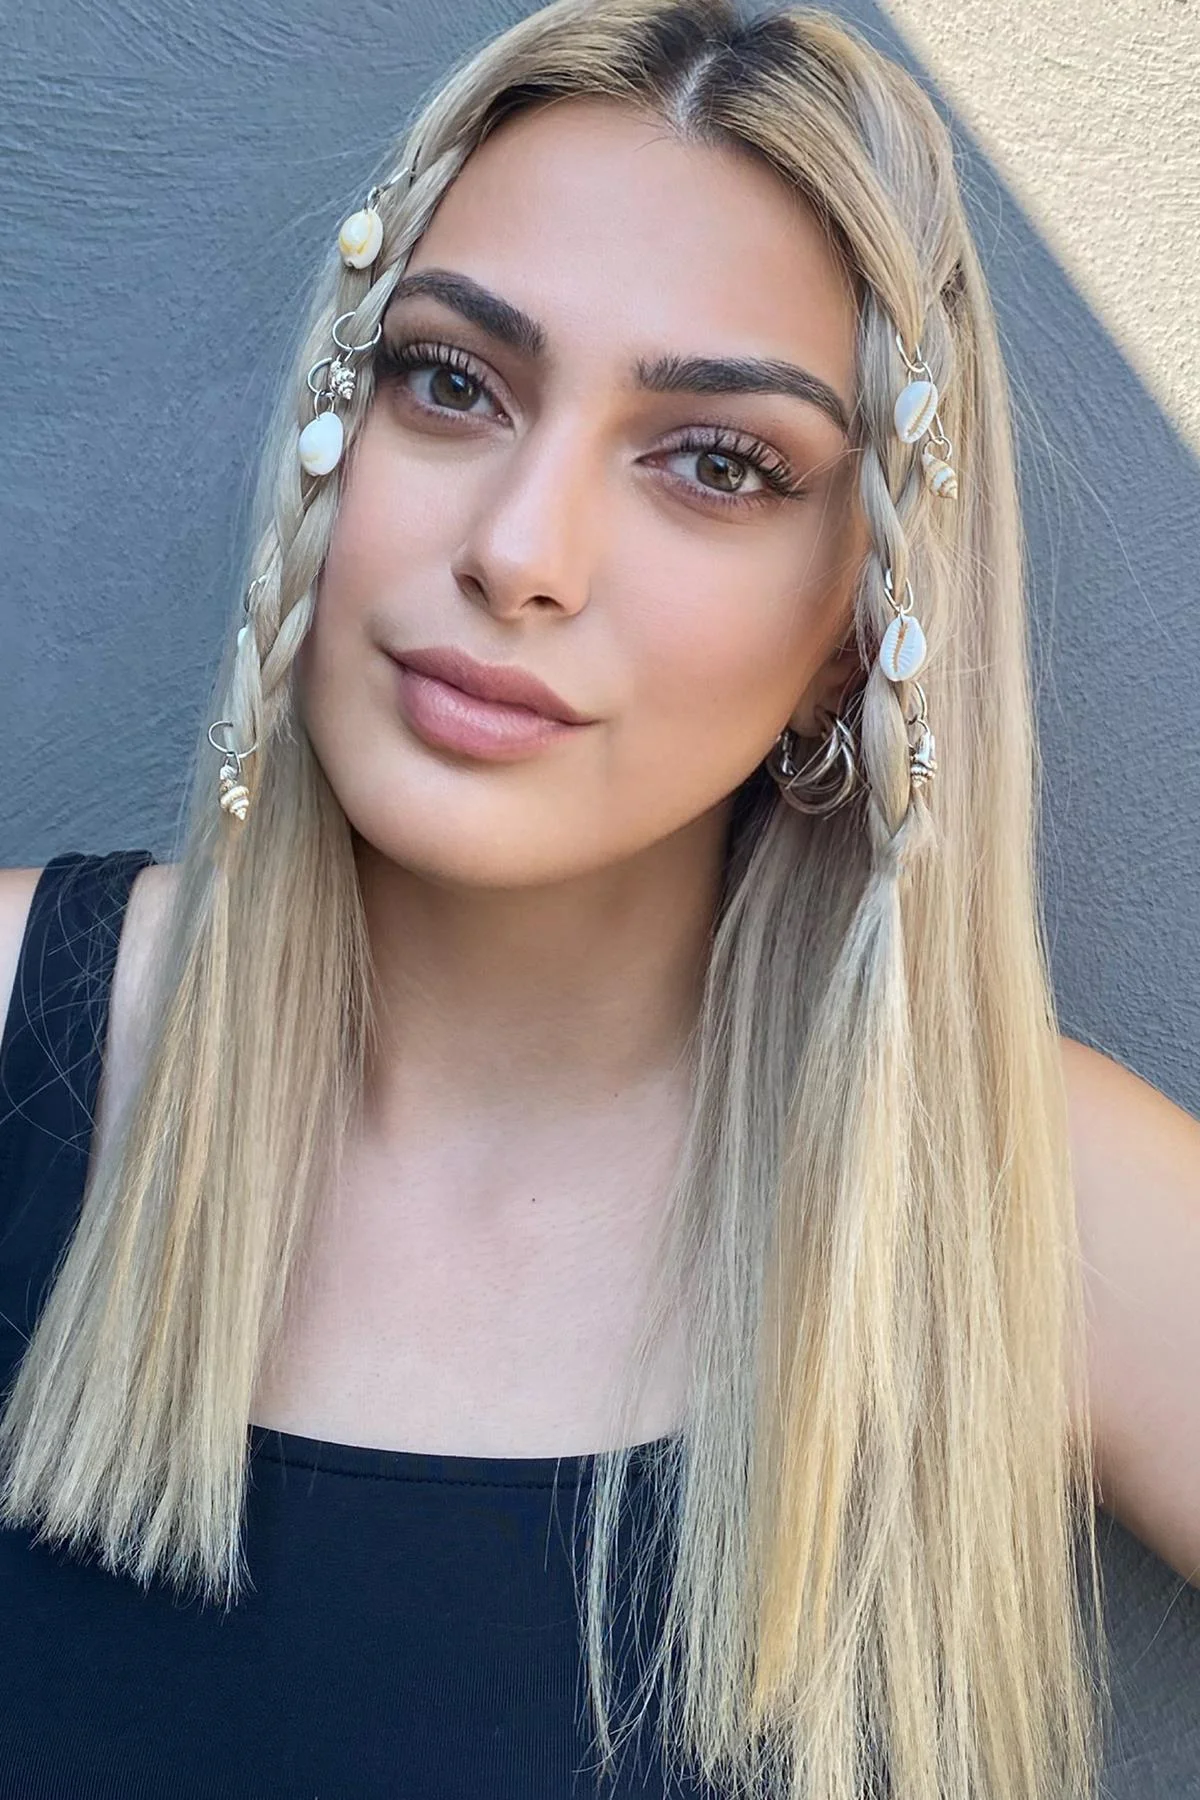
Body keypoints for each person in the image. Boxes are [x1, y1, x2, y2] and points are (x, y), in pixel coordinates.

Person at [0, 1, 1196, 1795]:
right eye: (448, 381)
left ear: (858, 633)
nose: (518, 551)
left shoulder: (1027, 1192)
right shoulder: (17, 1018)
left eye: (719, 463)